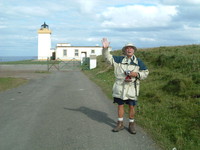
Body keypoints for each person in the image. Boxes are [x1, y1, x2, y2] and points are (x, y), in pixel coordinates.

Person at [101, 38, 149, 134]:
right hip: (120, 87)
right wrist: (105, 49)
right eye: (127, 48)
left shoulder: (138, 62)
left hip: (132, 88)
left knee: (131, 106)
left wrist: (137, 74)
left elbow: (146, 72)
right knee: (120, 105)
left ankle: (131, 125)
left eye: (131, 48)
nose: (129, 49)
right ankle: (120, 124)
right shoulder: (118, 60)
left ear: (134, 50)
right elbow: (107, 57)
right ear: (124, 50)